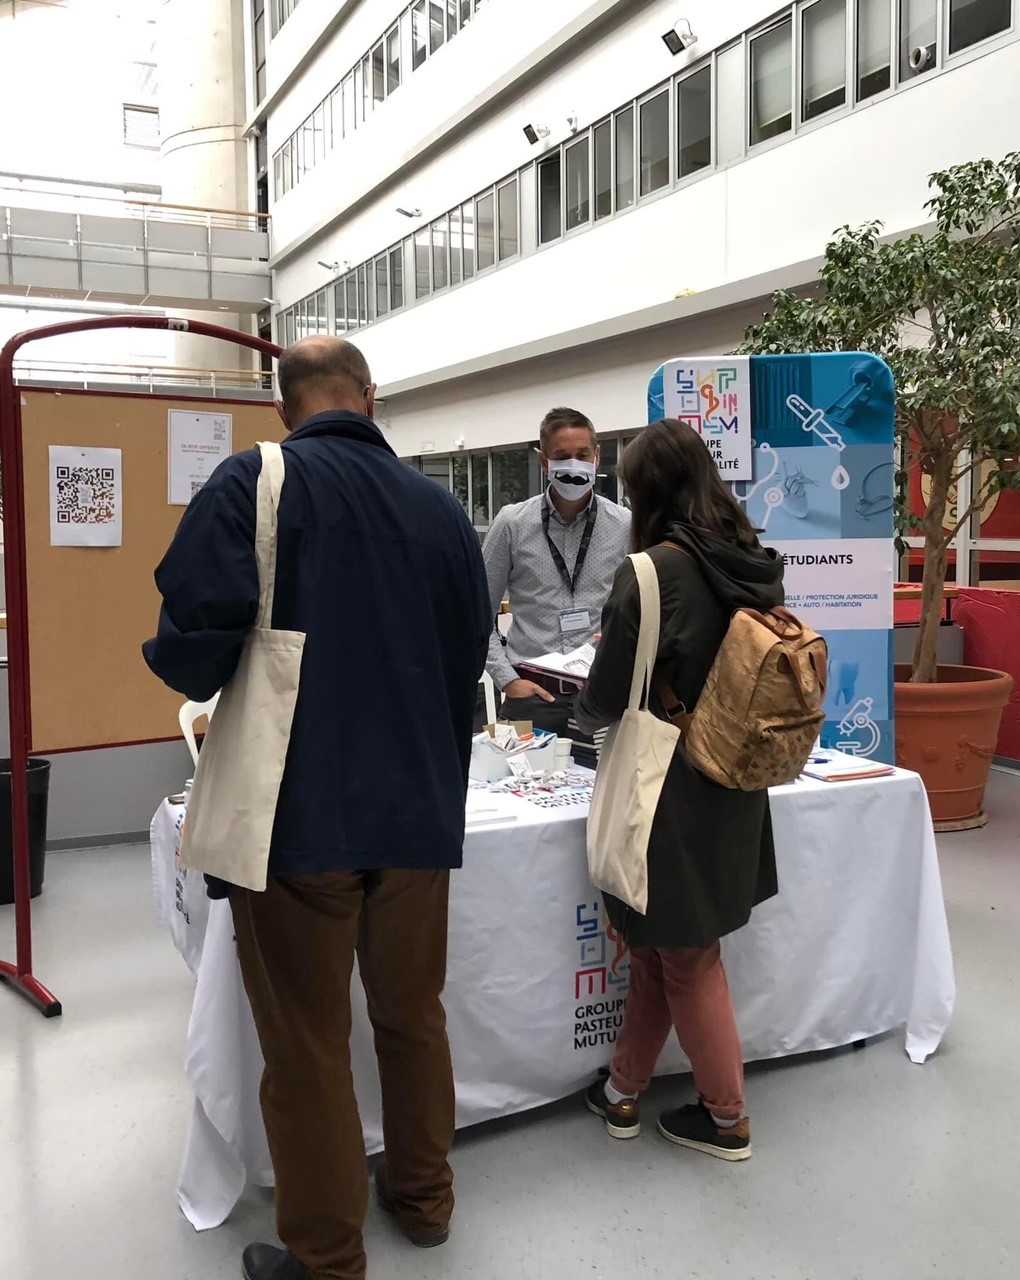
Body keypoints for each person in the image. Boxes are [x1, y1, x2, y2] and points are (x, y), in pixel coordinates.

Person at [143, 337, 491, 1280]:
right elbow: (469, 657)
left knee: (306, 1043)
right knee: (413, 1016)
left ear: (281, 407)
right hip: (419, 812)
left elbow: (190, 652)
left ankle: (328, 1256)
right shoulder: (442, 511)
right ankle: (424, 1197)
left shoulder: (252, 484)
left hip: (297, 815)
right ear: (371, 397)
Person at [575, 418, 784, 1163]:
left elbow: (605, 698)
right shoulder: (753, 561)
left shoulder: (650, 573)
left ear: (647, 493)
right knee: (661, 948)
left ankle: (728, 1119)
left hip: (665, 785)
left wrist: (583, 698)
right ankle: (622, 1089)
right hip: (734, 774)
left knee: (687, 956)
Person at [483, 406, 630, 757]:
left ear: (597, 456)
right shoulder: (512, 524)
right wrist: (508, 680)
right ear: (543, 461)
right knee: (518, 787)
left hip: (600, 697)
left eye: (582, 455)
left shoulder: (625, 525)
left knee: (601, 790)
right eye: (562, 456)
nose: (574, 464)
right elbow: (474, 614)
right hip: (529, 696)